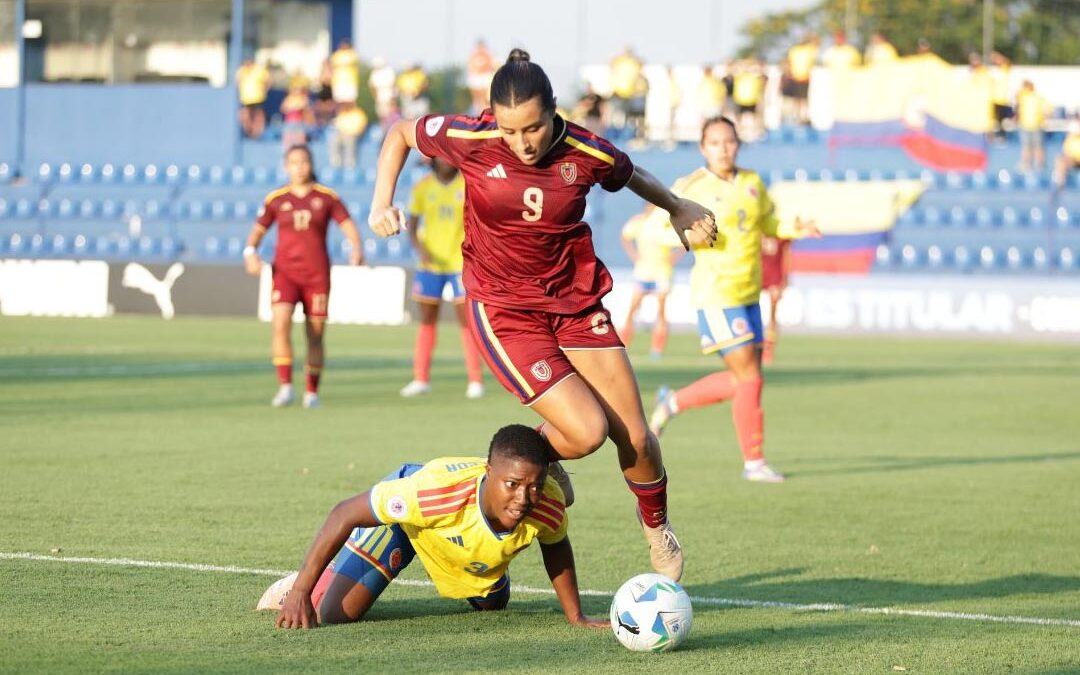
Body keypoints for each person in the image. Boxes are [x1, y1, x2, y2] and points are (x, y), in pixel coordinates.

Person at [368, 49, 718, 581]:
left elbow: (630, 173)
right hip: (505, 311)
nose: (521, 143)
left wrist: (677, 206)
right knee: (585, 432)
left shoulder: (584, 149)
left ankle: (657, 530)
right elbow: (399, 132)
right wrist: (380, 202)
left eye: (532, 128)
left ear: (554, 111)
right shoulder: (470, 138)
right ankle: (510, 469)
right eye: (509, 131)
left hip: (575, 302)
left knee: (638, 437)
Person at [264, 424, 607, 630]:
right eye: (513, 484)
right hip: (410, 520)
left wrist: (575, 616)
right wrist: (300, 594)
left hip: (459, 539)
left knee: (493, 605)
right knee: (337, 614)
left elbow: (557, 547)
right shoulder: (431, 493)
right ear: (490, 472)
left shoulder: (546, 502)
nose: (524, 497)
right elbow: (343, 513)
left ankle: (484, 565)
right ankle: (313, 579)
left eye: (534, 484)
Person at [648, 117, 819, 483]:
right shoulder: (691, 187)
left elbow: (770, 223)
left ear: (738, 144)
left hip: (748, 293)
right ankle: (753, 462)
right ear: (703, 147)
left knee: (745, 379)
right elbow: (657, 229)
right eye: (715, 142)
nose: (723, 148)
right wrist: (690, 237)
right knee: (750, 376)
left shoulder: (752, 182)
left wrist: (794, 229)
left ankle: (671, 403)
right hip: (717, 294)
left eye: (729, 141)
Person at [243, 145, 364, 409]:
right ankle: (285, 387)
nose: (299, 167)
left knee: (316, 334)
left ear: (311, 164)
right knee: (280, 324)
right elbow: (257, 232)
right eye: (294, 162)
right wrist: (250, 252)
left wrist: (356, 249)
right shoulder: (276, 199)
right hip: (285, 273)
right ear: (286, 166)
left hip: (316, 275)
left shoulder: (327, 197)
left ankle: (312, 391)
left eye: (304, 162)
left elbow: (348, 225)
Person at [400, 156, 485, 399]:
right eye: (442, 157)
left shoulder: (467, 185)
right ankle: (421, 378)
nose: (447, 161)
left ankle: (475, 379)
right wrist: (421, 249)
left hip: (460, 263)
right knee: (427, 318)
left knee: (466, 321)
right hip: (431, 264)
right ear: (434, 160)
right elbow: (413, 225)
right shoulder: (423, 187)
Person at [619, 204, 684, 359]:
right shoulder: (638, 221)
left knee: (661, 311)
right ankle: (624, 347)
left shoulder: (666, 222)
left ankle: (657, 350)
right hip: (643, 271)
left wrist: (674, 257)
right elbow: (624, 237)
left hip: (662, 272)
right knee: (632, 309)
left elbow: (684, 239)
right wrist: (633, 255)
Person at [759, 234, 791, 365]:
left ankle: (768, 350)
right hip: (754, 276)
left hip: (774, 278)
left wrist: (784, 279)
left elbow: (786, 255)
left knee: (772, 316)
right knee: (751, 311)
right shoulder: (754, 229)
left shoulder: (780, 232)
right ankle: (753, 347)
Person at [784, 33, 819, 126]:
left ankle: (804, 117)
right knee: (796, 99)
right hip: (795, 78)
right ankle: (797, 117)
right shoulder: (794, 50)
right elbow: (788, 63)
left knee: (804, 99)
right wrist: (788, 74)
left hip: (805, 78)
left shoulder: (809, 50)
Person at [1015, 80, 1048, 172]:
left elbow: (1046, 109)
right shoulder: (1024, 97)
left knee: (1036, 146)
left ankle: (1039, 164)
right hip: (1026, 125)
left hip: (1035, 125)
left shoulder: (1035, 97)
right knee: (1027, 147)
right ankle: (1028, 164)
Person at [236, 58, 270, 139]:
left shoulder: (260, 70)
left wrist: (264, 91)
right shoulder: (242, 71)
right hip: (245, 99)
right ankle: (249, 131)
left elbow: (268, 81)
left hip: (258, 98)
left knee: (258, 115)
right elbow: (237, 81)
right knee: (245, 115)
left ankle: (257, 133)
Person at [330, 101, 369, 169]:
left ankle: (350, 162)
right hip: (343, 134)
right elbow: (337, 125)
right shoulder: (342, 113)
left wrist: (352, 132)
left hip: (354, 135)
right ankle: (336, 161)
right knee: (334, 138)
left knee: (350, 139)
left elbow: (362, 128)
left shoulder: (359, 113)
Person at [466, 40, 496, 114]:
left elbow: (491, 65)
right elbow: (470, 66)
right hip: (476, 77)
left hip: (485, 77)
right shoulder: (473, 55)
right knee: (477, 99)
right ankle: (478, 110)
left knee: (484, 98)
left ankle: (484, 110)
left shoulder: (487, 55)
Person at [280, 82, 311, 151]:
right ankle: (287, 150)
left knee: (300, 137)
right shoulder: (288, 99)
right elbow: (283, 109)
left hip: (299, 122)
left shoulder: (303, 99)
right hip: (289, 122)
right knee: (288, 137)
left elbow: (306, 109)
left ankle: (302, 149)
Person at [330, 39, 360, 105]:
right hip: (338, 82)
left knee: (350, 100)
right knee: (339, 101)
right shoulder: (336, 55)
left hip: (350, 82)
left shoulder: (353, 54)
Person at [1053, 116, 1080, 190]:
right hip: (1074, 161)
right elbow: (1066, 153)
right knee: (1060, 160)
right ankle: (1060, 182)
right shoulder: (1070, 138)